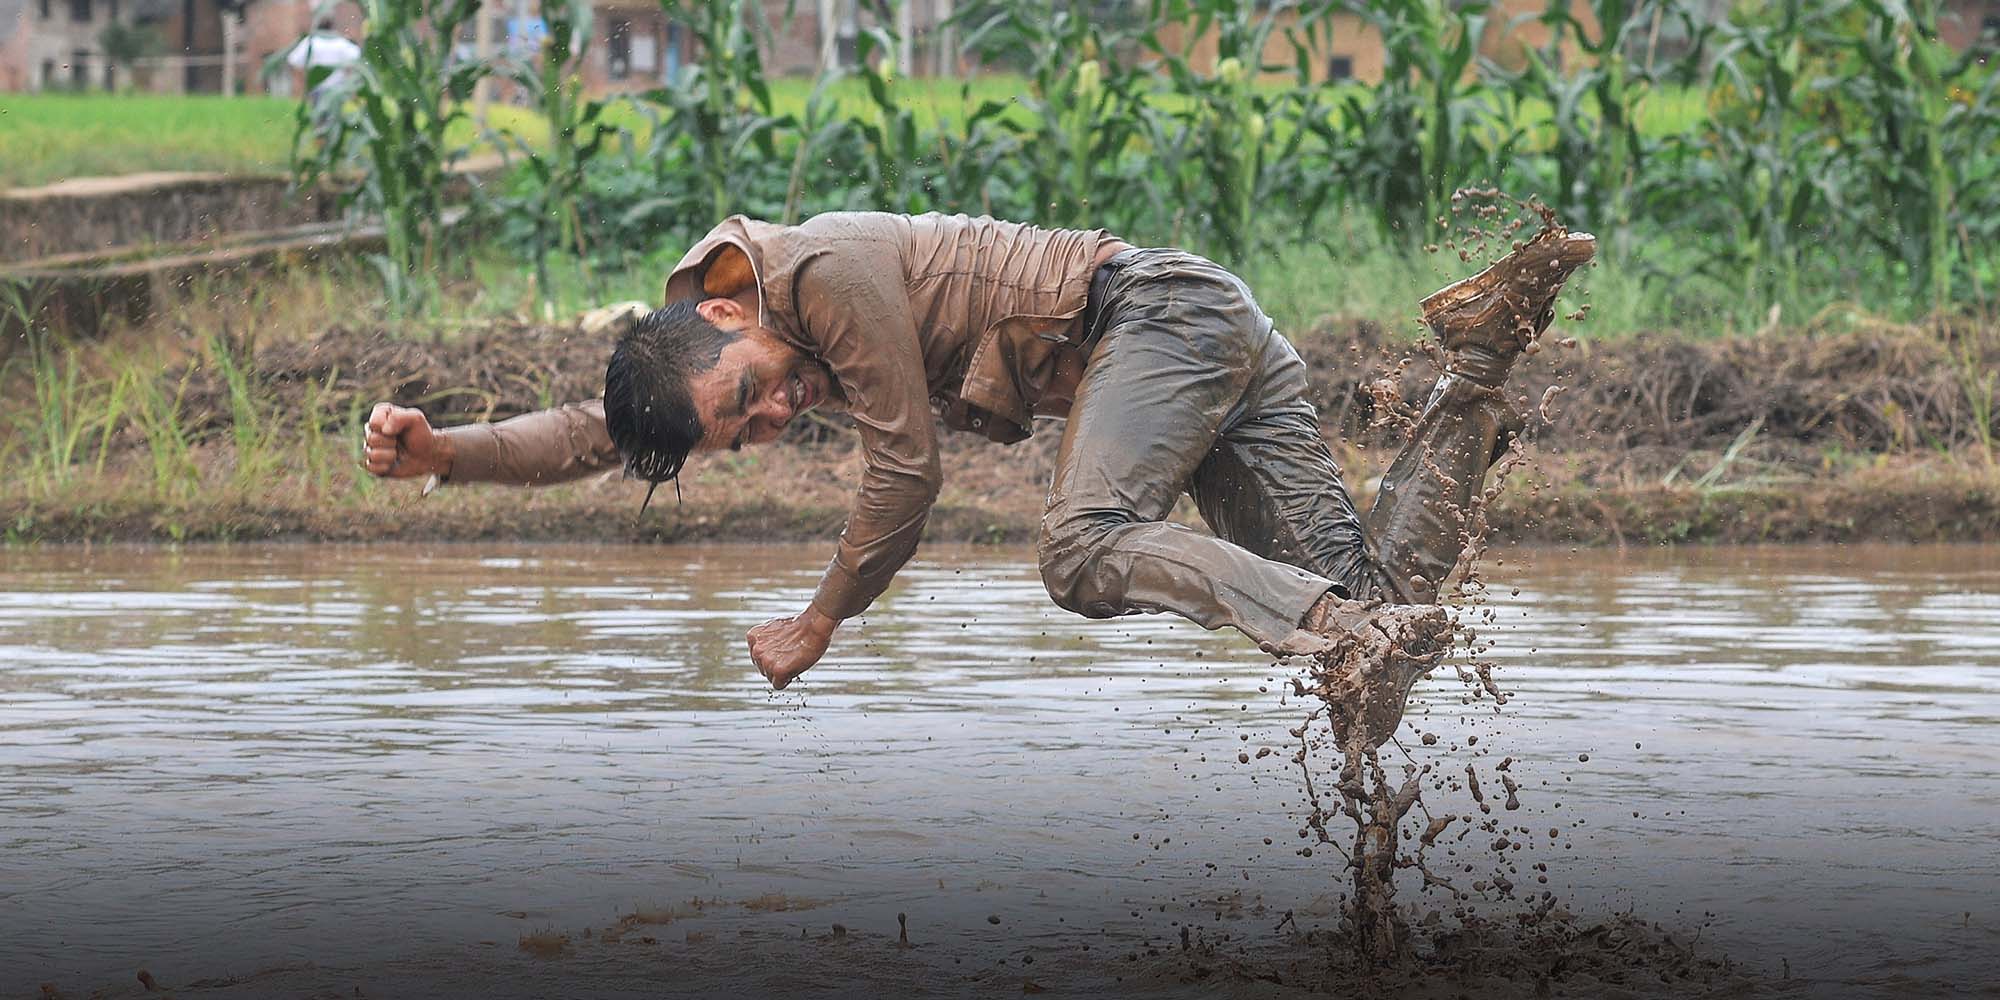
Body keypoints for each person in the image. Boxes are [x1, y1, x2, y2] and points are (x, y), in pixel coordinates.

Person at [363, 213, 1593, 747]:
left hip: (1153, 319)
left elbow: (907, 471)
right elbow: (590, 430)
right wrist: (443, 454)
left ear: (728, 307)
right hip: (1195, 342)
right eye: (750, 433)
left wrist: (820, 615)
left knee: (1080, 547)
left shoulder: (825, 276)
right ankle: (1476, 368)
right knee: (1371, 678)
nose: (780, 416)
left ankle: (1329, 625)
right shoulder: (733, 336)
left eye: (754, 396)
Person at [286, 19, 361, 110]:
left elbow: (293, 60)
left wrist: (304, 81)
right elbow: (357, 60)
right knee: (335, 120)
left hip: (318, 88)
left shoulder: (311, 42)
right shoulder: (340, 42)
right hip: (337, 90)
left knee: (319, 118)